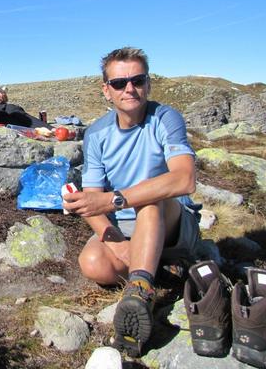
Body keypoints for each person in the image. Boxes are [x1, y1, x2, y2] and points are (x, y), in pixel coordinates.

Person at [62, 47, 199, 356]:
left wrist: (116, 199)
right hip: (127, 228)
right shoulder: (97, 134)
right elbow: (93, 203)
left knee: (148, 197)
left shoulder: (166, 118)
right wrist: (117, 245)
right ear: (106, 91)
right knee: (93, 264)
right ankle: (153, 268)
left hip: (170, 220)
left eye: (138, 80)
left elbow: (184, 179)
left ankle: (139, 291)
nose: (129, 89)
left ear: (148, 84)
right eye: (119, 83)